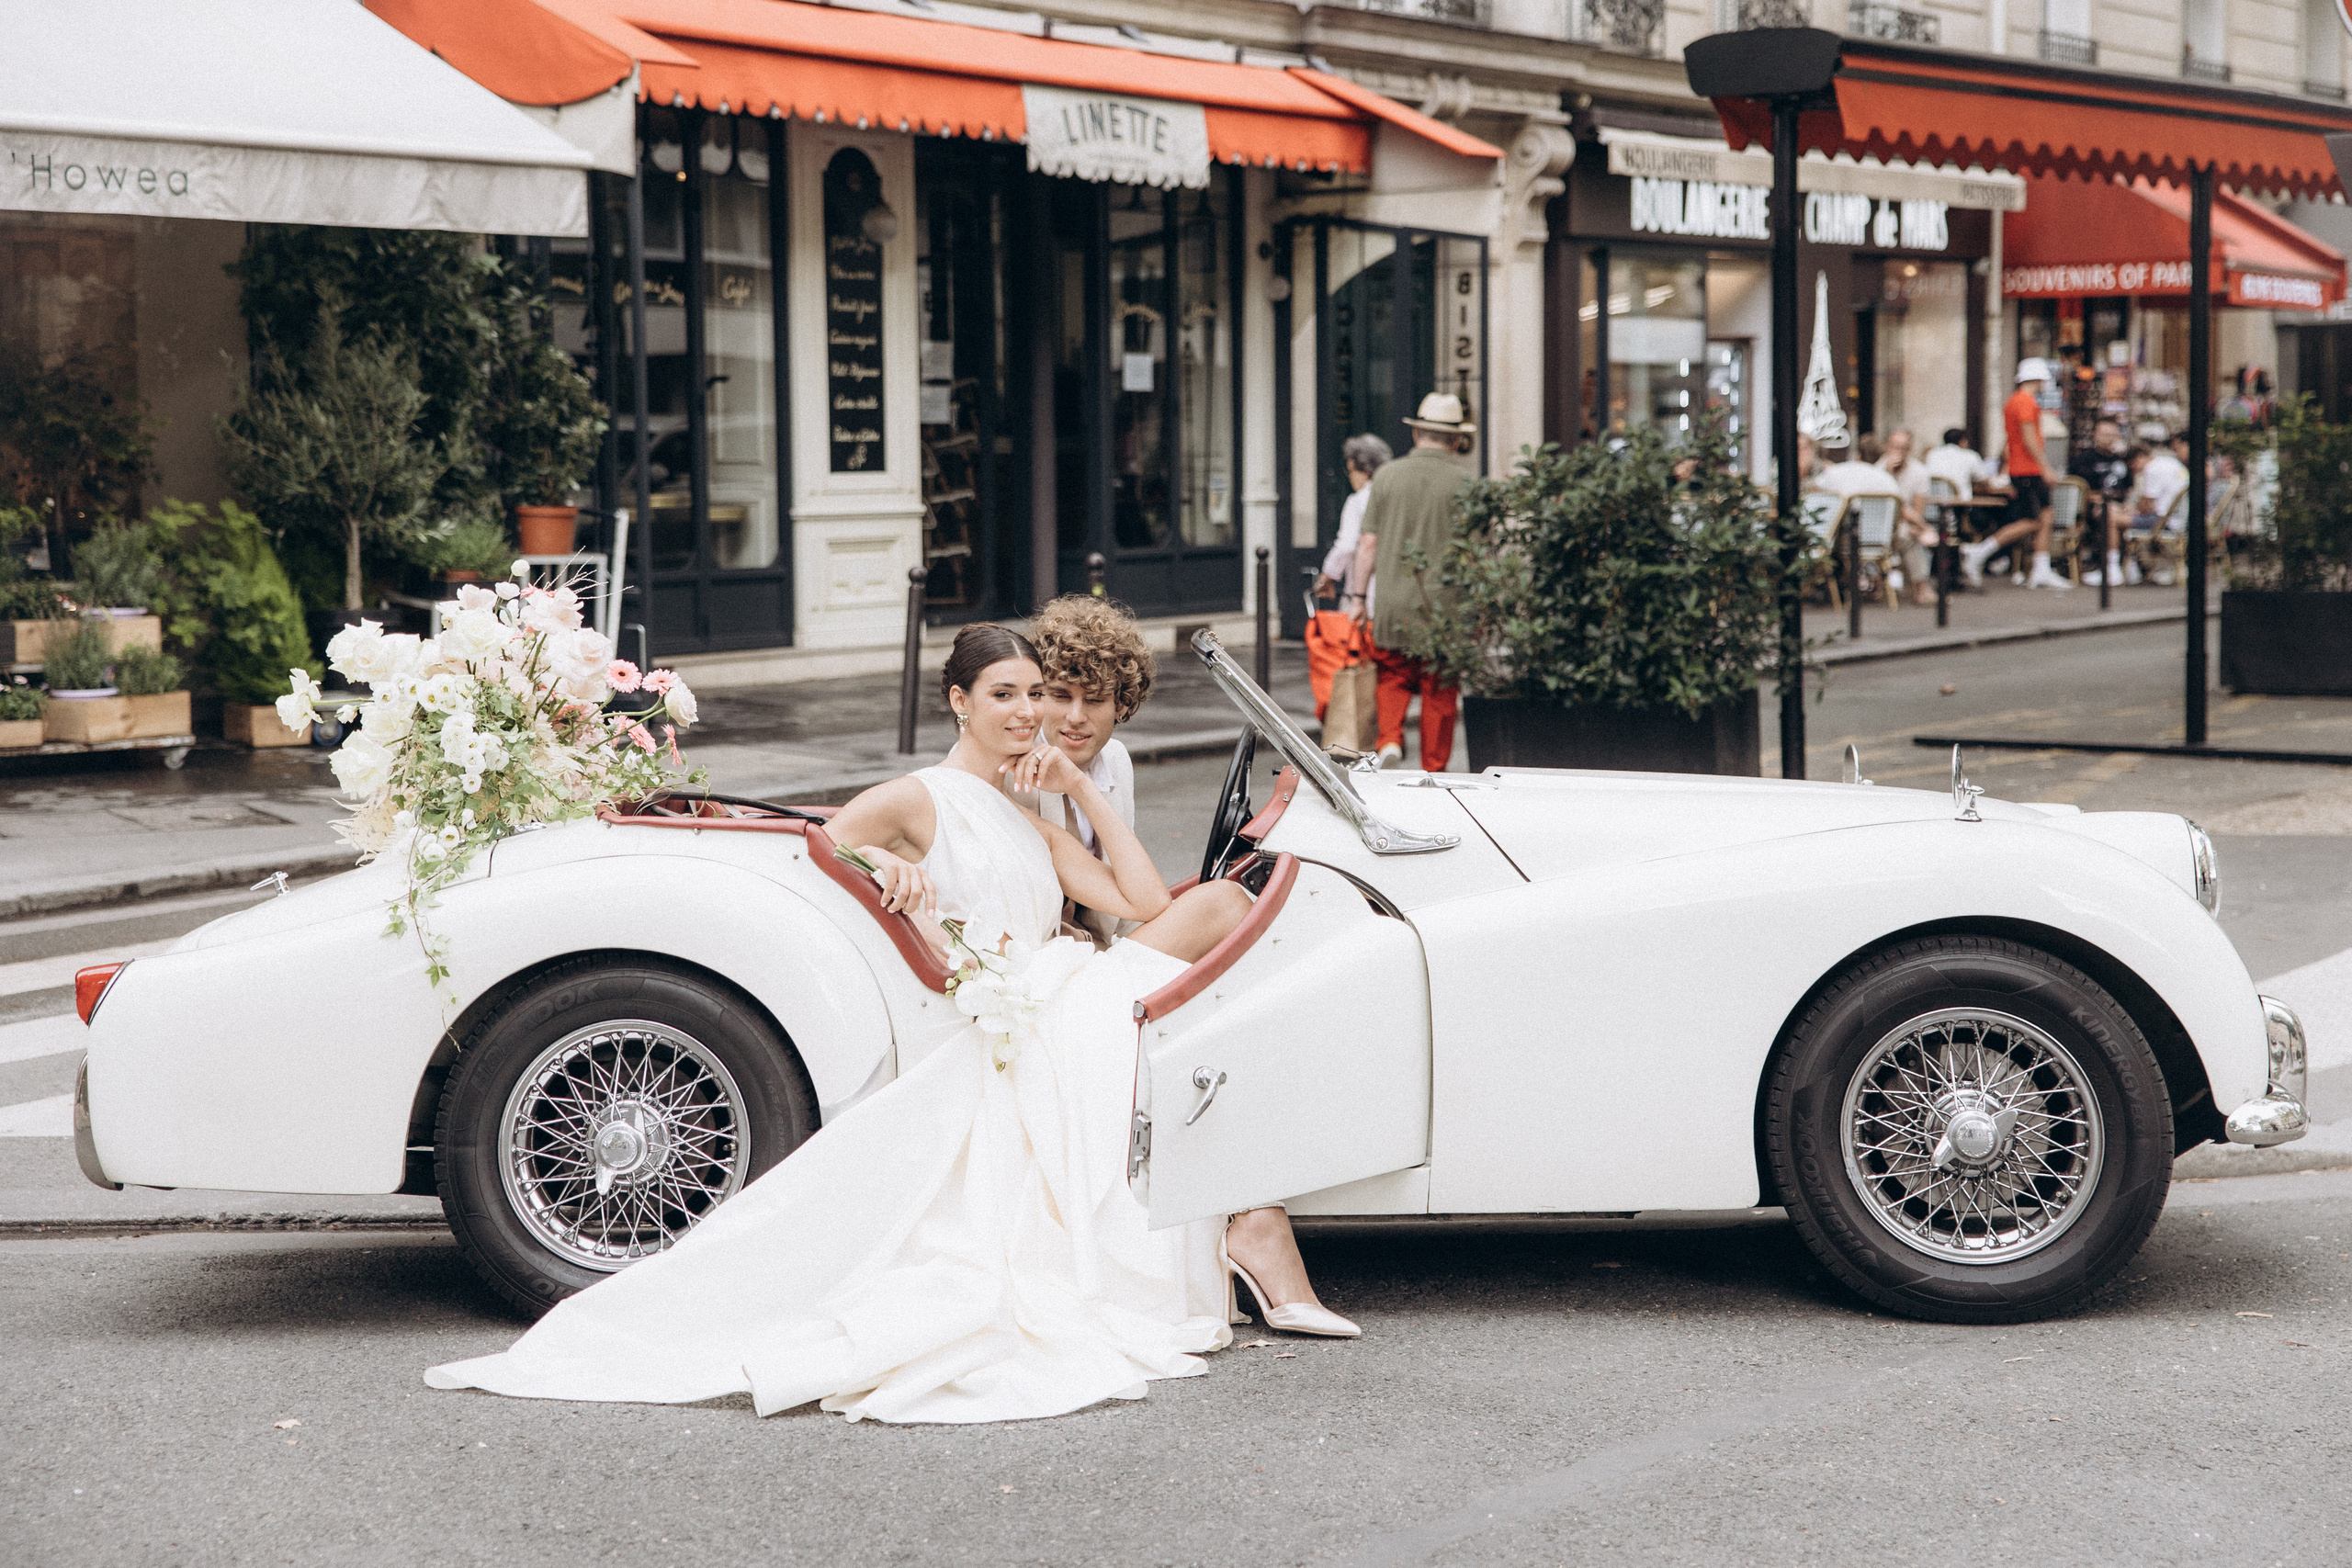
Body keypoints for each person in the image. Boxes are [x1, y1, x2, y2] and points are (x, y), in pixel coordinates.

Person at [424, 624, 1358, 1427]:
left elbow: (1140, 896)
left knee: (1222, 908)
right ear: (958, 702)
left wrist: (1078, 785)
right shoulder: (922, 795)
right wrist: (889, 871)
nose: (1026, 711)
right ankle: (1251, 1205)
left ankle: (1248, 1195)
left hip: (1059, 984)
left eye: (1036, 693)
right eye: (1004, 694)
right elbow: (823, 845)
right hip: (1016, 1003)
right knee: (1227, 917)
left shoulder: (1026, 811)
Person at [1346, 392, 1472, 771]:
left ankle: (1389, 741)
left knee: (1393, 676)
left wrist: (1356, 597)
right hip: (1446, 609)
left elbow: (1367, 543)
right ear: (1455, 440)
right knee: (1440, 689)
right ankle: (1434, 767)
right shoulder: (1466, 482)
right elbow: (1479, 554)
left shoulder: (1386, 477)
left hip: (1392, 605)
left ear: (1417, 434)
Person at [1023, 593, 1153, 947]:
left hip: (1104, 949)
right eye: (1060, 696)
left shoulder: (1117, 760)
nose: (1076, 717)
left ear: (1121, 705)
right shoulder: (1006, 761)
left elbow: (1131, 897)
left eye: (1094, 699)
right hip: (1037, 956)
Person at [1961, 359, 2072, 592]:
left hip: (2021, 469)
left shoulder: (2012, 402)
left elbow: (2011, 442)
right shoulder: (2025, 402)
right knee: (2032, 520)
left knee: (2045, 516)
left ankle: (2041, 568)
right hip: (2028, 470)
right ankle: (1981, 552)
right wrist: (2045, 468)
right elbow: (2029, 439)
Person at [1314, 434, 1393, 604]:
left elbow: (1346, 545)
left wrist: (1327, 576)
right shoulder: (1396, 496)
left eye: (1350, 471)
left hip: (1363, 596)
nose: (1349, 477)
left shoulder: (1357, 501)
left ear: (1365, 471)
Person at [2069, 417, 2134, 588]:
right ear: (2095, 435)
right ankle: (2110, 567)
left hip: (2120, 506)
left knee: (2130, 513)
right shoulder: (2084, 459)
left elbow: (2128, 488)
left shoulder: (2120, 460)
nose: (2108, 438)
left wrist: (2128, 504)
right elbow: (2078, 489)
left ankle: (2133, 565)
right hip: (2092, 509)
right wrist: (2099, 499)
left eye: (2111, 434)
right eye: (2104, 434)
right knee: (2109, 513)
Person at [1878, 427, 1939, 606]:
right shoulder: (1880, 468)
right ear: (1887, 447)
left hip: (1905, 525)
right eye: (1894, 446)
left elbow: (1919, 510)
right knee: (1911, 532)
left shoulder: (1918, 472)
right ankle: (1921, 587)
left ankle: (1920, 587)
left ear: (1909, 450)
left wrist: (1918, 524)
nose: (1897, 452)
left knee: (1907, 533)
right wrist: (1888, 475)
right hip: (1879, 525)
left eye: (1903, 448)